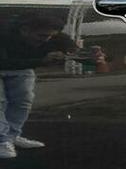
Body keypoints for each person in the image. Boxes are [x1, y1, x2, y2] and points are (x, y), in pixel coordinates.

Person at [0, 13, 74, 159]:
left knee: (23, 101)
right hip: (6, 63)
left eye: (50, 36)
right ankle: (2, 140)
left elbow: (72, 49)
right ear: (24, 30)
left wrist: (88, 55)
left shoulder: (54, 35)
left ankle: (11, 136)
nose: (46, 39)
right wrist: (41, 61)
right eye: (41, 36)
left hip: (23, 68)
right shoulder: (3, 33)